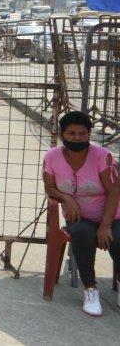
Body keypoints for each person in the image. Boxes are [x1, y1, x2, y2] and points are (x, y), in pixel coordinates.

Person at [42, 110, 120, 317]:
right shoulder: (51, 157)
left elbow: (114, 191)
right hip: (79, 217)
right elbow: (49, 188)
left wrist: (105, 225)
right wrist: (66, 198)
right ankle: (90, 289)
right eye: (71, 133)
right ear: (62, 134)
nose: (77, 138)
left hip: (112, 215)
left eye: (83, 133)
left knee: (118, 237)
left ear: (89, 134)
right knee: (83, 234)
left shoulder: (102, 156)